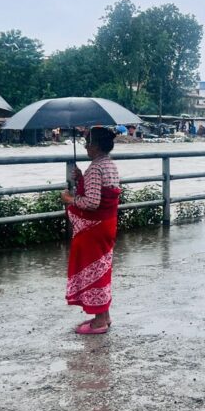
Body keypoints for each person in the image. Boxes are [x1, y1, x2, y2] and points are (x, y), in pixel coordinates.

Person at [60, 127, 121, 334]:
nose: (86, 147)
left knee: (94, 272)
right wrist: (82, 178)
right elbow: (103, 193)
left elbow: (93, 202)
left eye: (88, 143)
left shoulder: (95, 168)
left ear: (95, 146)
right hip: (107, 225)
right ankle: (104, 315)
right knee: (102, 270)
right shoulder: (109, 165)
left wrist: (70, 199)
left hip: (94, 228)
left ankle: (99, 321)